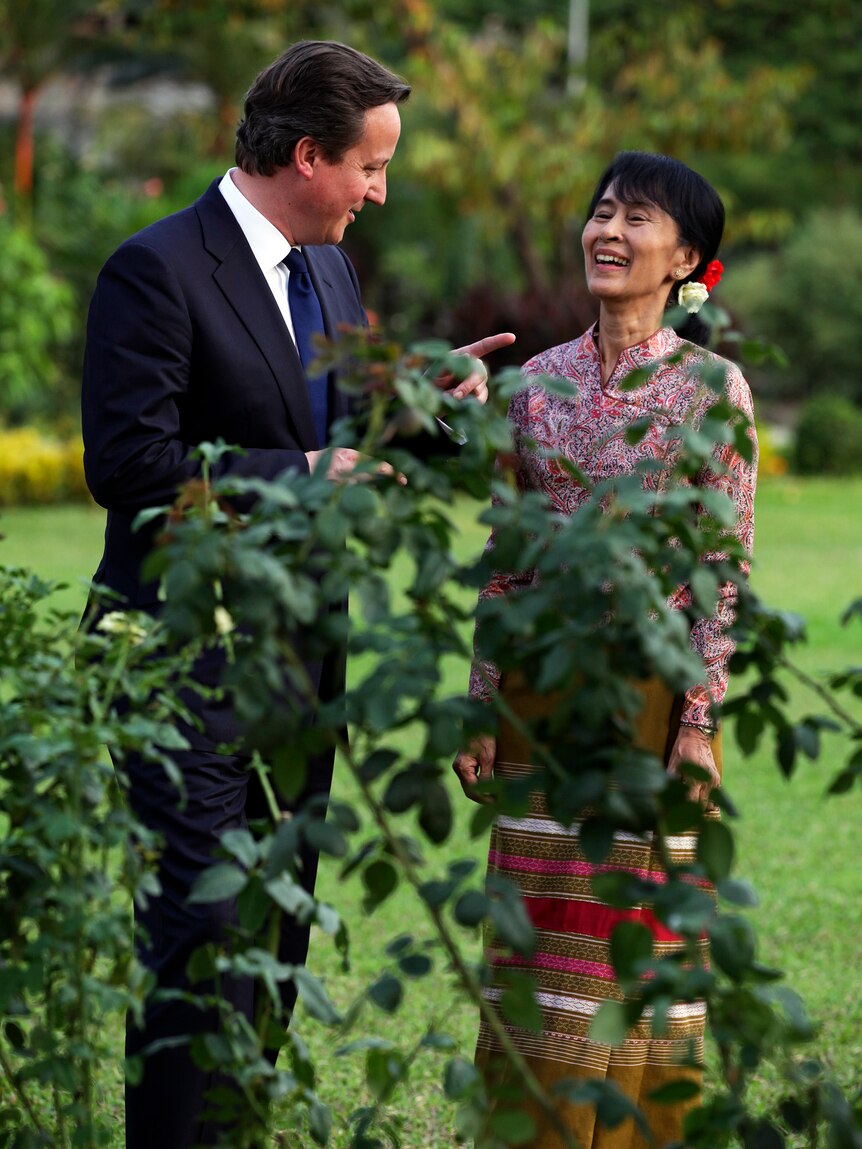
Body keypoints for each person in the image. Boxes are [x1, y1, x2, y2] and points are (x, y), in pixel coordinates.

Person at [81, 39, 514, 1149]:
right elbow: (129, 471)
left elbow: (326, 425)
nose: (381, 191)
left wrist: (412, 395)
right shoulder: (155, 267)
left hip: (300, 665)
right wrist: (298, 479)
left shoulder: (328, 268)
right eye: (371, 167)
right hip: (183, 657)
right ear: (308, 155)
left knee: (272, 934)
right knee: (201, 938)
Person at [453, 151, 757, 1148]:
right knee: (540, 953)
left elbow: (723, 572)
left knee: (634, 949)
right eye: (601, 212)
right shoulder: (532, 386)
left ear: (688, 259)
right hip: (540, 702)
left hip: (652, 704)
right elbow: (504, 564)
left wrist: (701, 727)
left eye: (637, 219)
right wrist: (480, 704)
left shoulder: (713, 387)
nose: (609, 232)